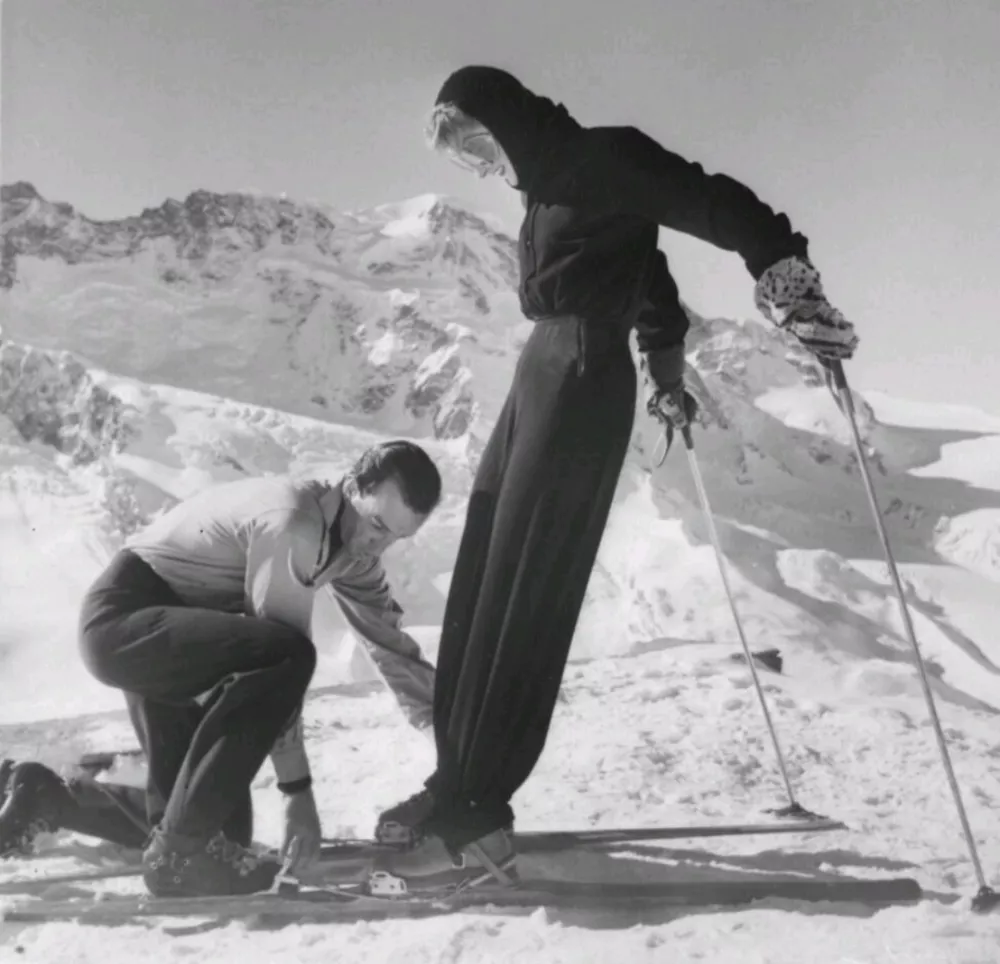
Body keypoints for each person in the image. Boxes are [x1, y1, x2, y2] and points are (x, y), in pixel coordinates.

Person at [370, 65, 860, 894]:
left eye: (480, 143)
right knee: (488, 575)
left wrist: (783, 270)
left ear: (511, 120)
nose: (482, 163)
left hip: (582, 377)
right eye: (465, 158)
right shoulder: (550, 192)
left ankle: (479, 819)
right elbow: (653, 286)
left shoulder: (604, 158)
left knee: (531, 588)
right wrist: (667, 370)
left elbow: (711, 200)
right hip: (543, 374)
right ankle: (452, 782)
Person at [0, 440, 441, 897]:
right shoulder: (295, 524)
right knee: (289, 655)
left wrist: (453, 758)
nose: (378, 544)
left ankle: (50, 797)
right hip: (124, 619)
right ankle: (176, 855)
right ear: (352, 487)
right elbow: (278, 659)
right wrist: (298, 794)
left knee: (217, 833)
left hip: (174, 634)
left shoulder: (352, 546)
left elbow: (394, 650)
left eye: (395, 537)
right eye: (376, 525)